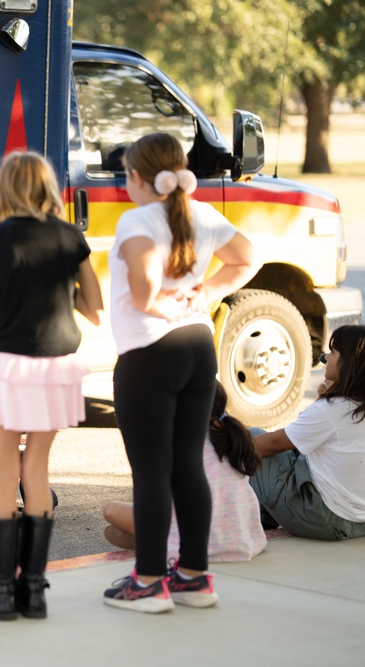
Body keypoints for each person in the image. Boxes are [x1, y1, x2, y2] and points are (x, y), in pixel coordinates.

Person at [0, 150, 104, 621]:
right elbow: (93, 308)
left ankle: (1, 592)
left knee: (6, 470)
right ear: (48, 189)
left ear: (6, 189)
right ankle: (34, 591)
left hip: (12, 364)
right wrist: (55, 289)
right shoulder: (72, 238)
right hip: (56, 367)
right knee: (38, 470)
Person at [103, 133, 260, 613]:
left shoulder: (136, 221)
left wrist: (168, 298)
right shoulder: (201, 213)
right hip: (198, 349)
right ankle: (193, 575)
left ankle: (149, 582)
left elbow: (145, 294)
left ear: (136, 176)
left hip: (150, 354)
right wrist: (206, 293)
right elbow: (247, 257)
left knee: (150, 472)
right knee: (187, 465)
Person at [102, 380, 267, 563]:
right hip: (243, 541)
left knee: (111, 510)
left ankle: (154, 540)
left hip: (198, 543)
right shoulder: (232, 440)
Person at [251, 324, 365, 541]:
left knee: (250, 439)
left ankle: (254, 515)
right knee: (298, 454)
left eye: (333, 353)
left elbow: (275, 443)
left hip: (322, 518)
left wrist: (222, 446)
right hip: (359, 520)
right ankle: (266, 516)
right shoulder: (350, 407)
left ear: (349, 363)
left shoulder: (333, 409)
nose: (325, 357)